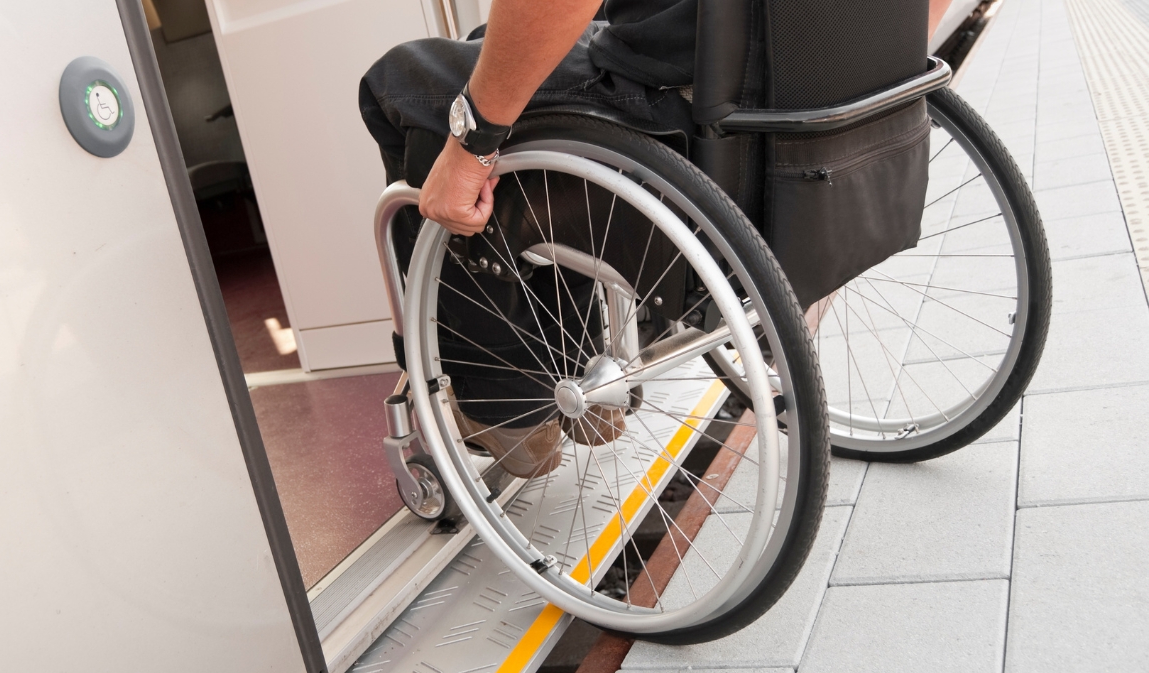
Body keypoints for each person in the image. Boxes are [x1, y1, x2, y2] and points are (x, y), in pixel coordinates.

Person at [360, 0, 954, 478]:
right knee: (498, 43)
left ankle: (508, 400)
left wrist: (471, 146)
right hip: (809, 103)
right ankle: (570, 360)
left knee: (401, 85)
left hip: (688, 106)